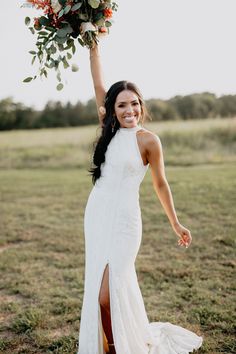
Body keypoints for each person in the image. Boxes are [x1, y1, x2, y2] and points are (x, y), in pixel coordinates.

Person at [77, 44, 203, 354]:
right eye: (121, 105)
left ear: (141, 106)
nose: (129, 111)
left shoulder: (148, 140)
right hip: (97, 215)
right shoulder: (108, 127)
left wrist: (176, 223)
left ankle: (119, 346)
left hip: (125, 222)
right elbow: (97, 83)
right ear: (112, 108)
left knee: (108, 293)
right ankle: (109, 346)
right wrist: (92, 43)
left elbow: (161, 184)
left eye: (134, 104)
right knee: (98, 287)